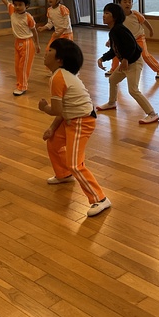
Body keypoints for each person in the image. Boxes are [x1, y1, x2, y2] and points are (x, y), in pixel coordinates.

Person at [39, 38, 111, 217]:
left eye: (50, 51)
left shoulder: (59, 77)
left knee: (75, 164)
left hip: (81, 121)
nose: (46, 53)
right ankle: (63, 174)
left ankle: (100, 198)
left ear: (60, 59)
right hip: (71, 118)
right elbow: (64, 109)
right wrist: (52, 128)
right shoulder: (60, 75)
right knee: (54, 143)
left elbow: (57, 109)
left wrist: (44, 108)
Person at [96, 3, 159, 125]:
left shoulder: (120, 29)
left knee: (133, 90)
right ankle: (111, 103)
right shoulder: (113, 31)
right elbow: (114, 50)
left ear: (115, 17)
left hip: (134, 63)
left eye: (107, 13)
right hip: (126, 63)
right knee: (113, 80)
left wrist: (125, 59)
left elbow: (132, 45)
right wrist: (102, 58)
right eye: (104, 13)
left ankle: (152, 114)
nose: (103, 16)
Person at [0, 0, 40, 96]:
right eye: (16, 4)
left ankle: (22, 86)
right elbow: (4, 0)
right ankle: (19, 84)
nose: (17, 7)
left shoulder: (28, 17)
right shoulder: (12, 11)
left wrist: (37, 44)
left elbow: (34, 31)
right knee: (18, 66)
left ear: (26, 6)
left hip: (27, 43)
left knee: (24, 67)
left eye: (20, 5)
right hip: (17, 42)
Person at [107, 0, 159, 79]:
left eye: (129, 2)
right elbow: (115, 30)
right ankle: (113, 70)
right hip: (124, 40)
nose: (127, 4)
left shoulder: (135, 14)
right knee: (116, 54)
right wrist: (110, 40)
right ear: (119, 4)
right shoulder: (118, 17)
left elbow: (145, 22)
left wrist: (151, 30)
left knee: (144, 55)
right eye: (125, 2)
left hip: (138, 38)